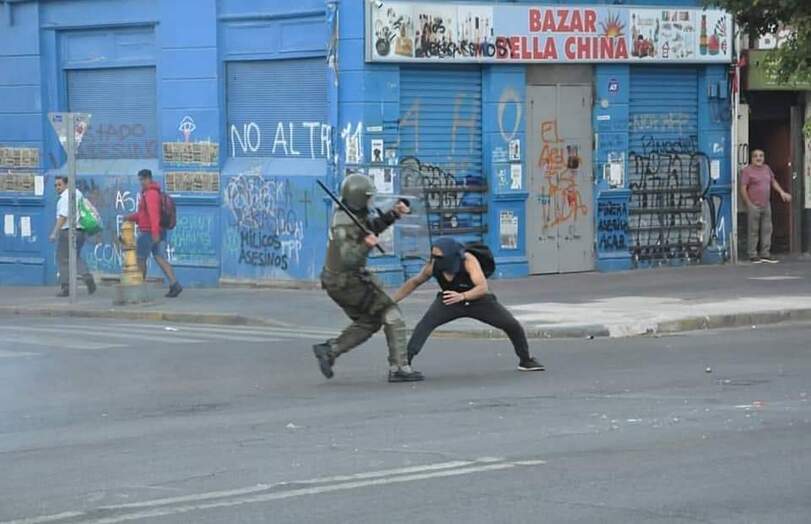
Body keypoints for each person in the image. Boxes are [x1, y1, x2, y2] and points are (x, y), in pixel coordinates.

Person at [313, 174, 423, 383]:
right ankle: (400, 366)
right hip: (348, 281)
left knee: (370, 321)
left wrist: (393, 214)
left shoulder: (350, 214)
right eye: (368, 198)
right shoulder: (343, 225)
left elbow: (369, 228)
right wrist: (367, 245)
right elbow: (349, 258)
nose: (370, 202)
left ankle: (330, 350)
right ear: (358, 198)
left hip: (340, 281)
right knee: (391, 313)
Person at [393, 237, 544, 372]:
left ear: (452, 255)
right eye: (433, 256)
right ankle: (404, 365)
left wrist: (463, 296)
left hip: (478, 300)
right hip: (449, 300)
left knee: (511, 324)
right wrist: (391, 301)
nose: (435, 259)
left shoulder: (468, 260)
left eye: (439, 256)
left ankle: (526, 360)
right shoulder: (433, 265)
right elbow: (414, 282)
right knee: (424, 325)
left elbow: (482, 287)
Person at [125, 169, 182, 297]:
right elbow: (143, 214)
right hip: (157, 231)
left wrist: (155, 233)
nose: (141, 182)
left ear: (148, 179)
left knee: (140, 259)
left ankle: (139, 289)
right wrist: (130, 217)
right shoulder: (152, 193)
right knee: (159, 257)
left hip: (149, 232)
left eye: (142, 179)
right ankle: (175, 284)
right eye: (140, 180)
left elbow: (153, 215)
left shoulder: (150, 194)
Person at [740, 149, 792, 263]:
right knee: (753, 230)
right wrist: (748, 203)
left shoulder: (767, 169)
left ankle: (765, 254)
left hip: (766, 204)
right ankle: (752, 254)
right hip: (754, 205)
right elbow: (743, 188)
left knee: (767, 229)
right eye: (756, 156)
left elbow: (773, 182)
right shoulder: (747, 171)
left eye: (761, 156)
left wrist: (782, 192)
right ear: (751, 158)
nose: (759, 158)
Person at [49, 176, 96, 297]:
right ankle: (86, 276)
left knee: (62, 259)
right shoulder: (78, 194)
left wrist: (54, 232)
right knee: (74, 257)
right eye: (55, 185)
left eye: (59, 185)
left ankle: (66, 287)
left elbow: (63, 216)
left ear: (66, 185)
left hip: (67, 232)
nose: (57, 188)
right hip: (80, 231)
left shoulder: (65, 197)